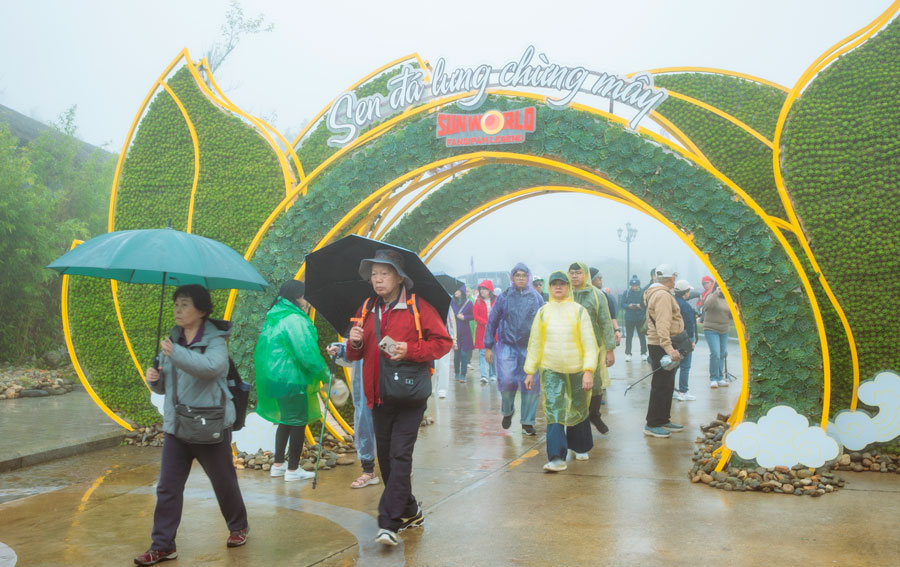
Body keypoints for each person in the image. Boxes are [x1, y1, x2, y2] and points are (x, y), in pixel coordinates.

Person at [345, 249, 452, 547]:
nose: (377, 280)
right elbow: (357, 354)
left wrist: (410, 350)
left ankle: (388, 522)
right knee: (386, 461)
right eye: (374, 275)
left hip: (409, 395)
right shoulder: (367, 308)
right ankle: (411, 509)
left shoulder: (419, 307)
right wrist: (353, 343)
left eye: (384, 274)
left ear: (399, 277)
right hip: (378, 396)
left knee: (400, 455)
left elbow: (443, 343)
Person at [136, 285, 248, 566]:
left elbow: (211, 368)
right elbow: (165, 387)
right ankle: (162, 545)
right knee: (168, 488)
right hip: (177, 426)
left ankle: (238, 526)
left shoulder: (215, 341)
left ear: (201, 310)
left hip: (209, 423)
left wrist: (176, 355)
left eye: (184, 304)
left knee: (223, 482)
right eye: (176, 304)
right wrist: (154, 378)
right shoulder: (171, 341)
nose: (177, 309)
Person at [523, 272, 598, 472]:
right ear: (549, 287)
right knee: (554, 408)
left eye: (562, 284)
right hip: (551, 368)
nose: (558, 287)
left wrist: (588, 370)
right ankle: (556, 456)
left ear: (568, 287)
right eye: (554, 284)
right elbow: (535, 343)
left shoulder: (579, 311)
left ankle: (580, 445)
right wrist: (530, 371)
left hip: (577, 368)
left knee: (578, 405)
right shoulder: (543, 312)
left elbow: (590, 343)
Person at [254, 280, 328, 482]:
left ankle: (278, 465)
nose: (307, 300)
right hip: (291, 379)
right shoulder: (294, 319)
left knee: (285, 421)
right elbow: (307, 353)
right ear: (297, 297)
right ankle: (293, 470)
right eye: (305, 296)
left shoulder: (276, 315)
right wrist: (326, 376)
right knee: (297, 423)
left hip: (275, 379)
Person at [484, 263, 544, 435]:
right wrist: (488, 346)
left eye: (524, 276)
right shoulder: (504, 297)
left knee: (531, 384)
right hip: (507, 345)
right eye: (517, 275)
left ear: (529, 278)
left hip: (529, 347)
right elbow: (492, 321)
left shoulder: (536, 298)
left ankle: (527, 421)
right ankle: (508, 411)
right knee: (507, 379)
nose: (520, 278)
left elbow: (544, 323)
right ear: (512, 277)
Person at [327, 342, 381, 489]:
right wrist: (340, 350)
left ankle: (401, 464)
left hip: (391, 377)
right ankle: (368, 470)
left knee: (395, 422)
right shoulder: (360, 321)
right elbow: (354, 350)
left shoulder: (399, 319)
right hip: (365, 381)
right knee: (364, 421)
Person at [569, 263, 614, 435]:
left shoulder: (597, 295)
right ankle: (578, 420)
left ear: (586, 275)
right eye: (572, 273)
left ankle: (594, 414)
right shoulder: (566, 294)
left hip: (592, 347)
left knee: (595, 383)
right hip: (569, 348)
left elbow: (605, 321)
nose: (574, 276)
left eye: (578, 273)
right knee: (573, 385)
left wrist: (609, 349)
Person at [642, 265, 685, 438]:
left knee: (667, 384)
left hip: (660, 344)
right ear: (672, 278)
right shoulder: (662, 296)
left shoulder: (656, 293)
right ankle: (652, 423)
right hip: (661, 345)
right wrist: (669, 348)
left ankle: (663, 419)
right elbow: (663, 324)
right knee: (661, 385)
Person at [673, 279, 698, 401]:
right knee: (685, 366)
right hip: (684, 338)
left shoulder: (672, 302)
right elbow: (689, 324)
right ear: (685, 292)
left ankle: (672, 389)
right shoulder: (686, 306)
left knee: (674, 364)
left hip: (673, 337)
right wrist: (691, 341)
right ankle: (683, 392)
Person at [702, 282, 731, 388]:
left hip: (724, 330)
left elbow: (732, 315)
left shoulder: (728, 299)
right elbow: (707, 306)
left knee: (722, 354)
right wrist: (716, 293)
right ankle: (713, 378)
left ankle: (719, 378)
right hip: (711, 329)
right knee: (715, 353)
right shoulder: (711, 296)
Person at [473, 279, 497, 384]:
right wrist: (485, 322)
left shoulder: (497, 300)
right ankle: (484, 375)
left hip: (494, 331)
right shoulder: (478, 301)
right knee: (482, 353)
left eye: (484, 289)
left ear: (490, 290)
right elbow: (475, 315)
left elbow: (501, 313)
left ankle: (493, 374)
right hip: (482, 331)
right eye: (481, 289)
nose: (482, 291)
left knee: (493, 353)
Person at [590, 268, 620, 348]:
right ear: (591, 280)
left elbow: (612, 315)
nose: (601, 280)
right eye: (599, 278)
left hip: (603, 337)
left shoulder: (604, 296)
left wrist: (616, 330)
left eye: (601, 278)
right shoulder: (582, 296)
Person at [620, 275, 647, 362]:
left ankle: (643, 353)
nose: (634, 287)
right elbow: (622, 304)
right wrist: (629, 306)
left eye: (636, 286)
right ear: (631, 285)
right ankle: (628, 353)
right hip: (629, 318)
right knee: (629, 337)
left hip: (640, 318)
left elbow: (646, 304)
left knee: (642, 336)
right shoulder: (626, 292)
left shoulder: (643, 292)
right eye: (633, 286)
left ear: (639, 285)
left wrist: (640, 306)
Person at [451, 284, 474, 383]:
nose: (455, 292)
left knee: (464, 354)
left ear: (462, 292)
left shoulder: (469, 303)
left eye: (457, 290)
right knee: (456, 355)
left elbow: (473, 316)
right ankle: (456, 372)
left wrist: (465, 317)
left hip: (465, 331)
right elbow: (449, 315)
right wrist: (456, 316)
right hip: (455, 331)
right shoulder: (451, 302)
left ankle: (463, 374)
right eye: (454, 290)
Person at [434, 306, 457, 398]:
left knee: (444, 365)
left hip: (445, 339)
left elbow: (451, 323)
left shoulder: (448, 305)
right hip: (431, 339)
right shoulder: (426, 303)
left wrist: (454, 339)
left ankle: (442, 390)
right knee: (433, 365)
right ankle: (431, 387)